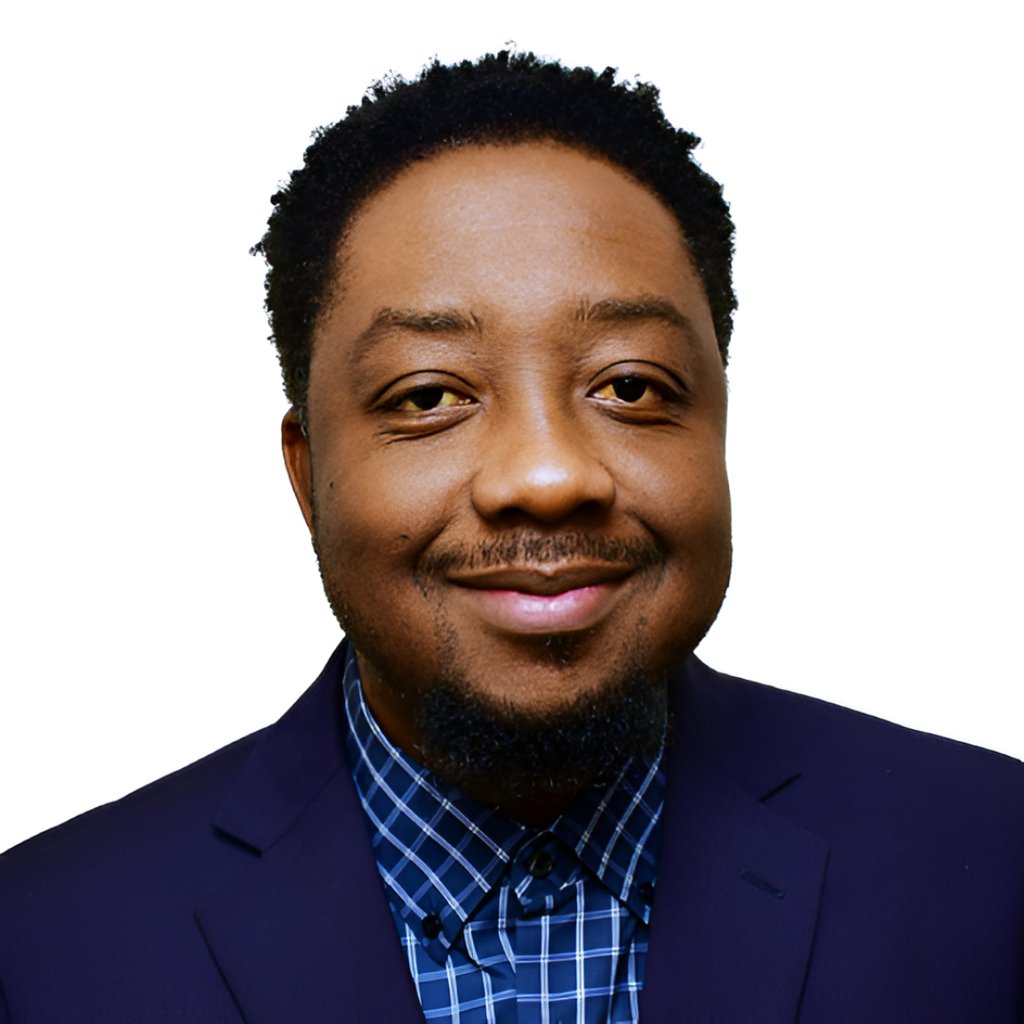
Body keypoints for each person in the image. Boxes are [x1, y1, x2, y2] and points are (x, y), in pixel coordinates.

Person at [0, 51, 1021, 1024]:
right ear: (307, 474)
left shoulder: (993, 863)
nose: (548, 476)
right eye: (428, 395)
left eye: (631, 385)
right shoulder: (39, 948)